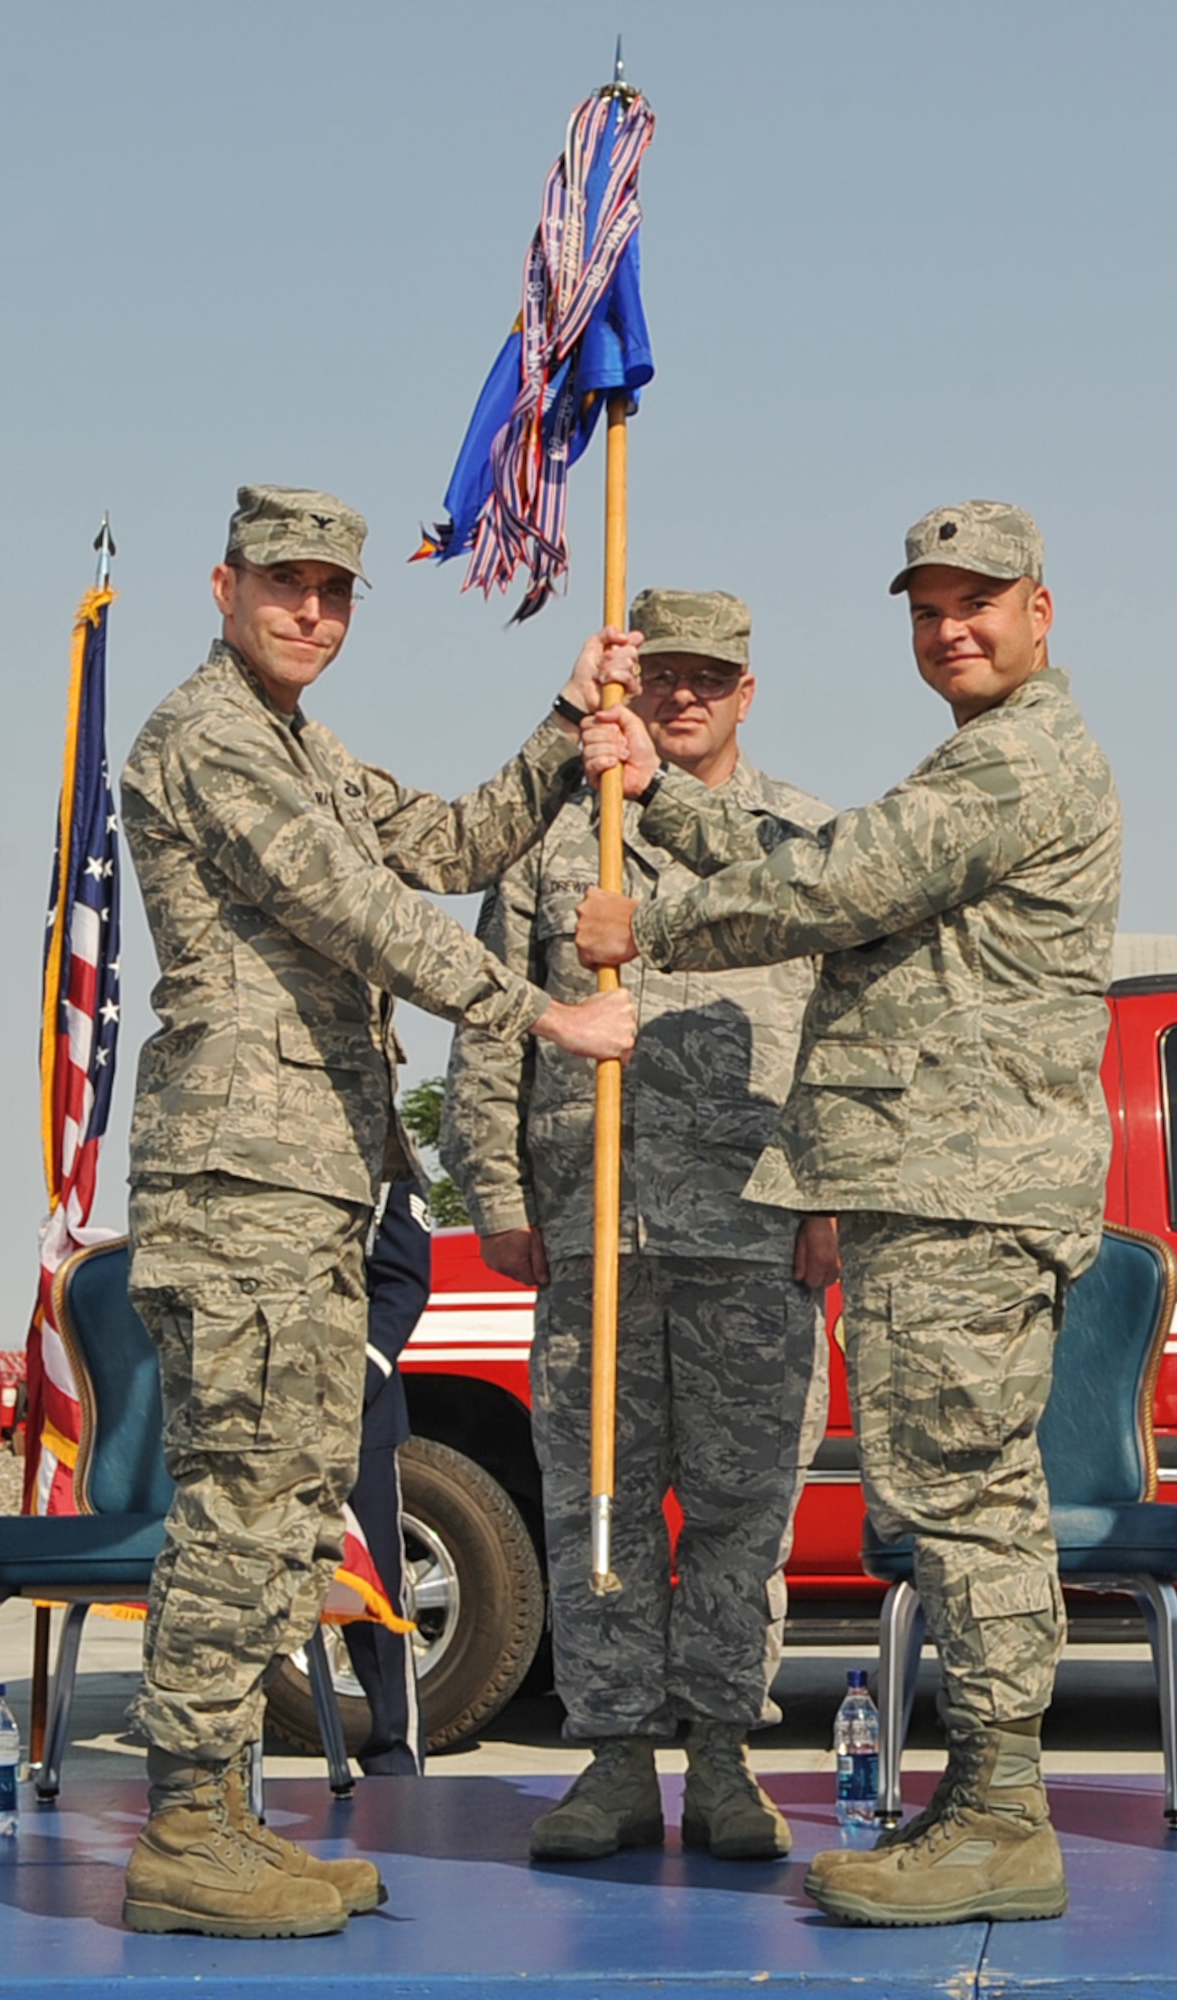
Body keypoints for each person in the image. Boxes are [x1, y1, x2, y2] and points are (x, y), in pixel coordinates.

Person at [574, 503, 1121, 1927]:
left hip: (965, 1192)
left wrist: (660, 924)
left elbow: (841, 879)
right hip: (935, 1186)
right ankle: (983, 1799)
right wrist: (670, 800)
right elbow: (845, 866)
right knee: (949, 1503)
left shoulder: (1018, 760)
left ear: (1041, 611)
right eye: (929, 606)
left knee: (966, 1502)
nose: (952, 627)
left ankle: (1006, 1815)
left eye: (980, 602)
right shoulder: (978, 759)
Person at [118, 484, 637, 1939]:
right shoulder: (207, 738)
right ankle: (183, 1833)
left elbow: (454, 844)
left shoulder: (304, 746)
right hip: (242, 1179)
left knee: (291, 1508)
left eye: (335, 592)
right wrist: (544, 1015)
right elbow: (366, 910)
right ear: (223, 586)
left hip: (317, 1181)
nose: (311, 611)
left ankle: (224, 1817)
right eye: (285, 584)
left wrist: (563, 722)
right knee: (239, 1504)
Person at [442, 589, 838, 1865]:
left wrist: (829, 1197)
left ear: (746, 690)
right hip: (593, 1221)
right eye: (659, 673)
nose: (680, 695)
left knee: (741, 1510)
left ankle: (724, 1759)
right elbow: (493, 1011)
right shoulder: (562, 841)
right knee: (597, 1503)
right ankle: (614, 1762)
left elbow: (848, 1036)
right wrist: (496, 1191)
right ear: (626, 687)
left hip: (752, 1227)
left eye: (707, 676)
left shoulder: (804, 839)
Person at [344, 1177, 432, 1775]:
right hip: (258, 1404)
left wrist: (358, 1382)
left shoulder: (387, 1169)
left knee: (376, 1595)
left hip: (358, 1412)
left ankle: (393, 1754)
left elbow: (402, 1283)